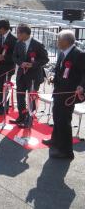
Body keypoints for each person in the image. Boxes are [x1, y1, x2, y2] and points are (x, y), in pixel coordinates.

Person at [43, 30, 85, 160]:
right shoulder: (62, 53)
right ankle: (55, 140)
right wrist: (53, 77)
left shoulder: (79, 54)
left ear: (66, 41)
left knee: (64, 121)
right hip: (59, 92)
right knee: (57, 118)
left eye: (58, 40)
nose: (56, 42)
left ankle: (66, 151)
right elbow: (58, 70)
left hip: (69, 94)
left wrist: (82, 86)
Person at [12, 24, 49, 128]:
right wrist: (21, 63)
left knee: (31, 98)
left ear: (24, 33)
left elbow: (45, 59)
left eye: (18, 32)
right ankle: (21, 116)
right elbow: (14, 56)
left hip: (33, 76)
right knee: (20, 96)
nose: (17, 35)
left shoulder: (37, 44)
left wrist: (32, 64)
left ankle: (29, 119)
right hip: (21, 75)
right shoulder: (18, 43)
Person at [0, 19, 17, 115]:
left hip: (7, 67)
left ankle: (4, 108)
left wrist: (4, 57)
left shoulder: (13, 38)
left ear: (2, 28)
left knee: (4, 88)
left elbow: (15, 55)